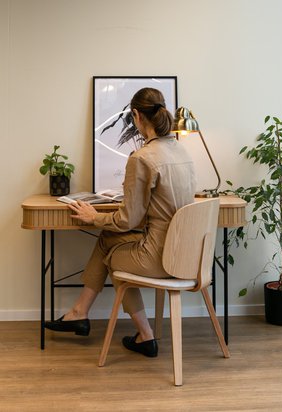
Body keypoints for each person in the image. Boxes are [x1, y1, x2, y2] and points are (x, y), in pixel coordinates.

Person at [45, 87, 197, 357]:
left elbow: (128, 219)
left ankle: (144, 335)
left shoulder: (142, 158)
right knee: (108, 240)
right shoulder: (182, 151)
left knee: (113, 257)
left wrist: (94, 217)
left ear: (136, 116)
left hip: (161, 256)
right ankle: (80, 314)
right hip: (188, 254)